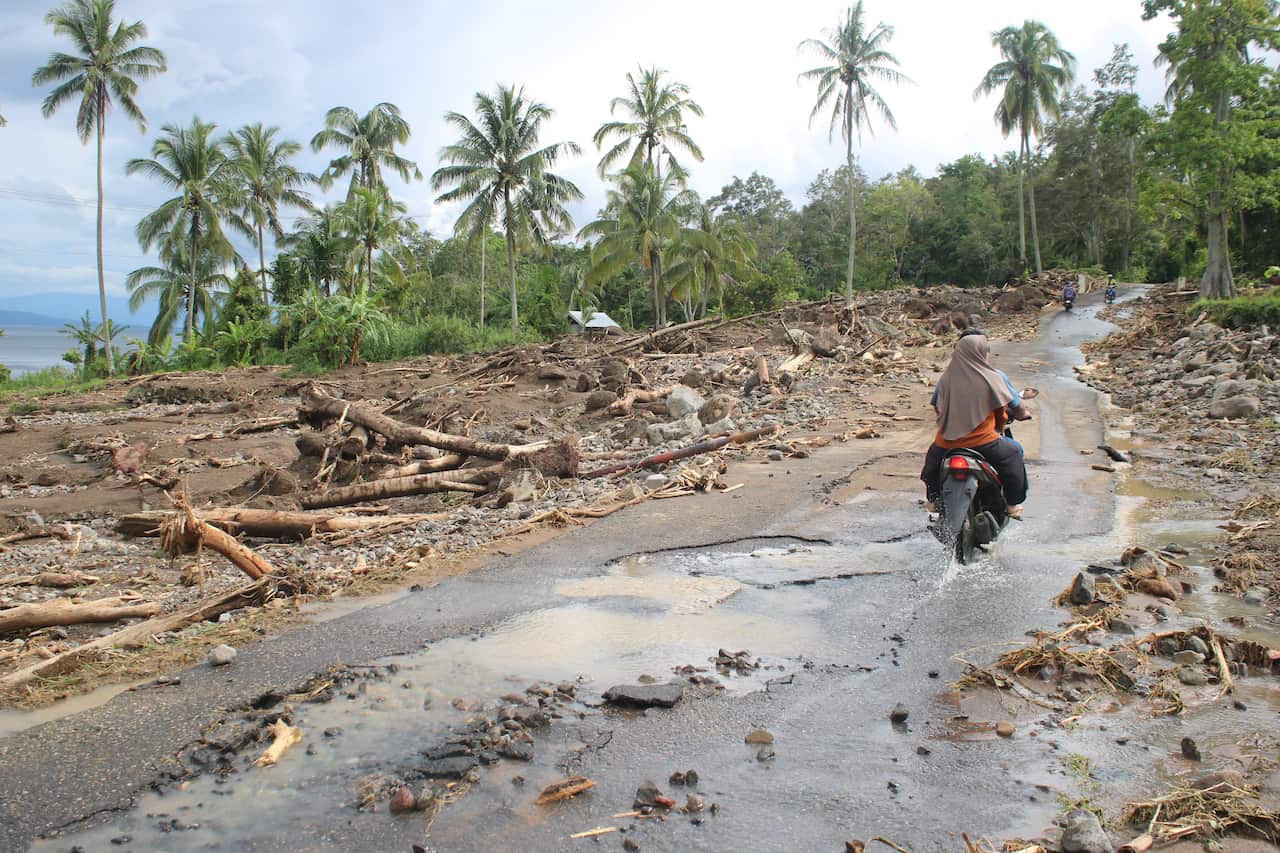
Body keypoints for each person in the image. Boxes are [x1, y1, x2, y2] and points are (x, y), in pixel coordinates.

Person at [920, 334, 1029, 518]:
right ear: (981, 353)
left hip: (946, 443)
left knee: (931, 466)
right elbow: (1001, 411)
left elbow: (937, 407)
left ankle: (933, 502)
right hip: (984, 442)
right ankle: (1012, 505)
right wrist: (1000, 424)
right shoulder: (991, 377)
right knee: (1013, 455)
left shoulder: (946, 378)